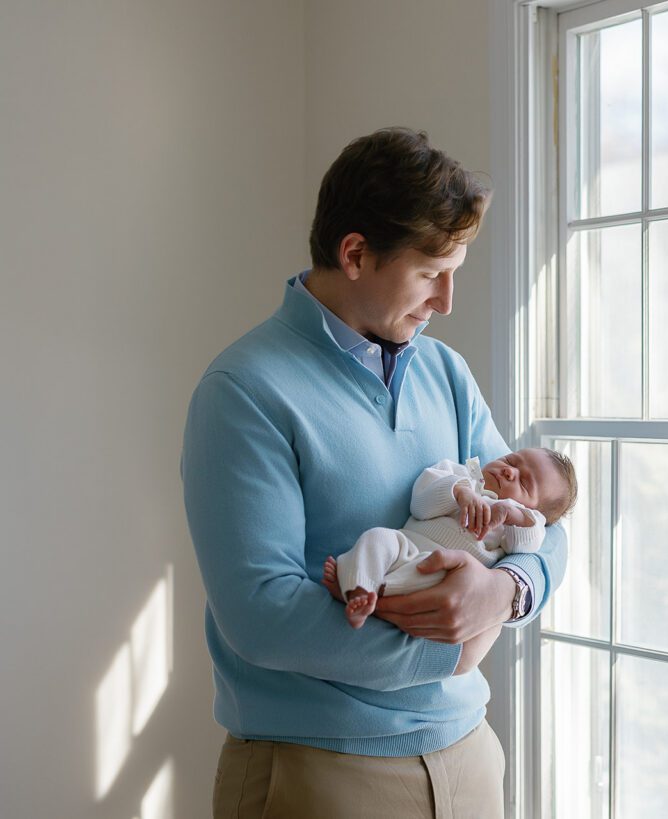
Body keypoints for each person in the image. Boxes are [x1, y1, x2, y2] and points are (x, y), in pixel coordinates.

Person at [181, 127, 568, 818]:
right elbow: (263, 614)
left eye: (456, 271)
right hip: (319, 772)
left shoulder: (445, 371)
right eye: (429, 273)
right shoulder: (244, 389)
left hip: (470, 753)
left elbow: (543, 521)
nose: (447, 300)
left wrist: (505, 592)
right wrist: (450, 652)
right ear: (355, 253)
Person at [322, 449, 577, 628]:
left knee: (429, 582)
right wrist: (459, 491)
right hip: (405, 544)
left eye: (525, 484)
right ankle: (360, 588)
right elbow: (420, 504)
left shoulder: (514, 525)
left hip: (441, 571)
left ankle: (362, 592)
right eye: (511, 460)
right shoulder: (458, 473)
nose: (510, 471)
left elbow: (532, 541)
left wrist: (514, 515)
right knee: (377, 538)